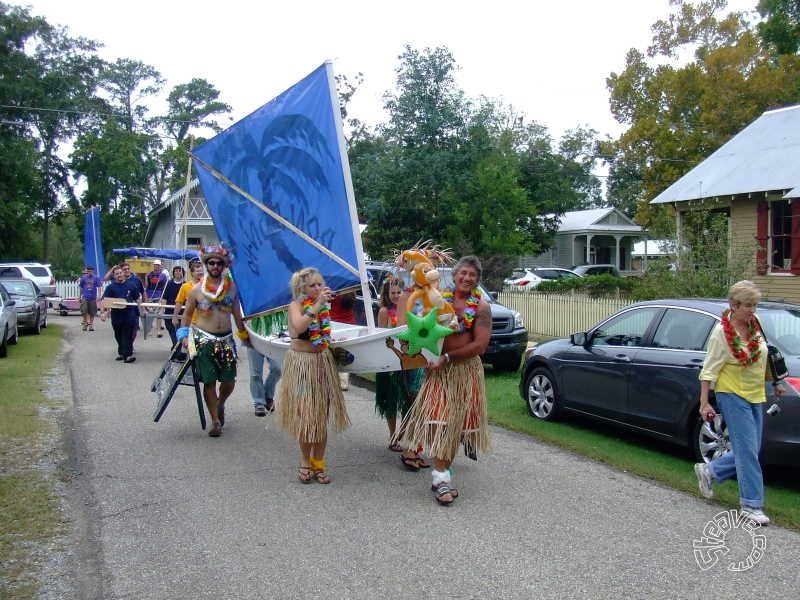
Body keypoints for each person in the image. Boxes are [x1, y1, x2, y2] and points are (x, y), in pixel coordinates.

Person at [398, 255, 491, 506]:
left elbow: (480, 345)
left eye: (472, 274)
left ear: (477, 279)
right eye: (463, 273)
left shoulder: (480, 307)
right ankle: (441, 475)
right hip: (438, 371)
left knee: (452, 427)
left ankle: (441, 478)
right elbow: (414, 319)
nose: (467, 278)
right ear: (455, 275)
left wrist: (448, 357)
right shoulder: (436, 298)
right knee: (439, 423)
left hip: (463, 372)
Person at [694, 280, 784, 525]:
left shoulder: (756, 324)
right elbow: (708, 371)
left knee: (751, 450)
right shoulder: (721, 333)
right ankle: (751, 505)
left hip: (756, 393)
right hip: (732, 394)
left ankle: (710, 471)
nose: (753, 310)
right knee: (747, 453)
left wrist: (775, 382)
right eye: (748, 306)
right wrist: (704, 403)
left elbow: (765, 356)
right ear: (733, 305)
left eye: (755, 305)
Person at [276, 267, 350, 484]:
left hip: (322, 363)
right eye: (312, 285)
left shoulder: (325, 307)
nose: (318, 288)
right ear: (302, 288)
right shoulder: (295, 306)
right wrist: (317, 306)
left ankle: (319, 462)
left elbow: (326, 332)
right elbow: (299, 326)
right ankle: (305, 461)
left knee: (321, 415)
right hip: (302, 364)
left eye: (320, 284)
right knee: (307, 416)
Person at [179, 246, 250, 438]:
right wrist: (183, 336)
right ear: (206, 264)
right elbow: (186, 315)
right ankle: (215, 421)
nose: (215, 266)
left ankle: (220, 403)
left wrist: (245, 335)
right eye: (211, 262)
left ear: (224, 265)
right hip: (204, 340)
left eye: (219, 263)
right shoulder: (195, 291)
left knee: (228, 381)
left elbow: (237, 314)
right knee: (209, 381)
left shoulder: (232, 289)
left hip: (226, 340)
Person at [374, 277, 423, 457]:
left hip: (407, 360)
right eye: (392, 293)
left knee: (409, 399)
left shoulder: (412, 311)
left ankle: (401, 433)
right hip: (390, 362)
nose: (395, 295)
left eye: (398, 292)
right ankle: (393, 436)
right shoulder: (385, 311)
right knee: (391, 400)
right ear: (386, 294)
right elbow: (381, 337)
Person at [99, 266, 142, 363]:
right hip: (116, 316)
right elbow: (104, 301)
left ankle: (128, 356)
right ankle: (122, 353)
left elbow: (137, 299)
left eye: (120, 273)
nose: (119, 275)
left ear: (123, 274)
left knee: (127, 335)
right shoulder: (111, 287)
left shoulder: (131, 285)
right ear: (114, 276)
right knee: (118, 335)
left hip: (129, 315)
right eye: (117, 274)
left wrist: (142, 311)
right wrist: (102, 313)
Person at [329, 289, 358, 390]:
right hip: (350, 325)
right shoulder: (351, 292)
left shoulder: (333, 292)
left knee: (334, 353)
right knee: (345, 353)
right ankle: (343, 382)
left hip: (336, 325)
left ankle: (335, 379)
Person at [248, 348, 281, 416]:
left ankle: (268, 396)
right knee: (255, 374)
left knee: (278, 369)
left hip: (272, 341)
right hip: (254, 341)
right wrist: (244, 338)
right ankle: (259, 402)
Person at [161, 265, 185, 347]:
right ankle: (176, 346)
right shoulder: (169, 283)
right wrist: (161, 310)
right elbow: (164, 298)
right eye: (176, 271)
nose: (178, 272)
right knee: (171, 330)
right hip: (169, 312)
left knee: (180, 332)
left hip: (182, 313)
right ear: (173, 273)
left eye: (180, 270)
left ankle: (177, 348)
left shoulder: (185, 284)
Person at [145, 259, 168, 338]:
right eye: (155, 265)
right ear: (153, 265)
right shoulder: (149, 275)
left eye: (158, 265)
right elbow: (147, 286)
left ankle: (158, 330)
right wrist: (146, 297)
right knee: (150, 313)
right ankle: (149, 330)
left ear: (160, 266)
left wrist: (164, 297)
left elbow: (165, 287)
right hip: (150, 295)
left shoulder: (163, 276)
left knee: (159, 313)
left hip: (160, 295)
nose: (156, 266)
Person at [78, 265, 102, 331]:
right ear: (87, 271)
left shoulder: (96, 278)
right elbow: (81, 287)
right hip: (85, 297)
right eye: (88, 271)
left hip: (93, 297)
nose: (89, 272)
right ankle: (85, 323)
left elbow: (99, 287)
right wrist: (79, 296)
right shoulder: (83, 278)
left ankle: (91, 325)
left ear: (92, 271)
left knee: (92, 311)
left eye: (90, 271)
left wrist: (99, 295)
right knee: (84, 310)